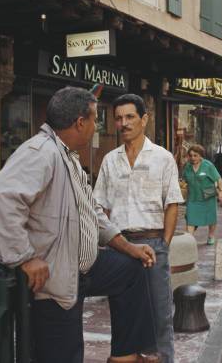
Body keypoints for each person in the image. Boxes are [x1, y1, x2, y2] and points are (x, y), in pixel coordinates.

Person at [0, 86, 160, 363]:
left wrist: (128, 247)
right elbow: (0, 196)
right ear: (80, 122)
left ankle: (124, 357)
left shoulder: (67, 156)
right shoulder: (41, 152)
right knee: (64, 354)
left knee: (131, 271)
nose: (97, 126)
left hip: (83, 266)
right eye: (95, 119)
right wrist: (25, 258)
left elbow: (92, 212)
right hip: (55, 276)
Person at [93, 94, 183, 363]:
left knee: (160, 313)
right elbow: (100, 207)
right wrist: (107, 243)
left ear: (144, 119)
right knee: (124, 313)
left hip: (153, 244)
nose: (124, 123)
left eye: (130, 117)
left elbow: (173, 204)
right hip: (120, 246)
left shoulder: (163, 158)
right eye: (118, 118)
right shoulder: (110, 160)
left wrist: (164, 244)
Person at [182, 144, 222, 244]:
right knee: (190, 219)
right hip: (192, 198)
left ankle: (211, 236)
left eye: (195, 155)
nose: (192, 158)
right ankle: (189, 240)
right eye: (191, 155)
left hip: (207, 197)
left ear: (201, 156)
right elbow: (184, 179)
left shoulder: (208, 165)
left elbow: (218, 178)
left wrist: (221, 191)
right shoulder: (187, 166)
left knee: (211, 218)